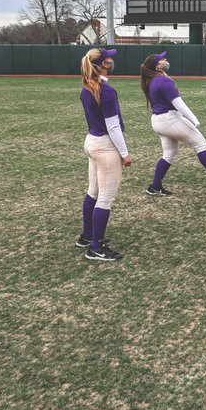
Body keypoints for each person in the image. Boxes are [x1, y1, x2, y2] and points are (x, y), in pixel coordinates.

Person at [77, 47, 133, 261]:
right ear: (102, 64)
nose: (111, 61)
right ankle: (96, 247)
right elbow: (113, 126)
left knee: (93, 191)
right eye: (108, 59)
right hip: (105, 145)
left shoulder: (87, 86)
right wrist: (125, 153)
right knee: (105, 198)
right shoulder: (105, 90)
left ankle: (87, 235)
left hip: (92, 141)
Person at [139, 51, 206, 195]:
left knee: (169, 153)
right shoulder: (163, 81)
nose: (165, 60)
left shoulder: (153, 80)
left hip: (158, 120)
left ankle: (155, 186)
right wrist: (194, 119)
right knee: (200, 143)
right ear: (157, 66)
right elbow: (178, 103)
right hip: (169, 119)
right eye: (161, 60)